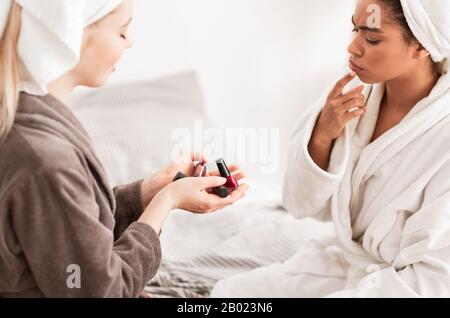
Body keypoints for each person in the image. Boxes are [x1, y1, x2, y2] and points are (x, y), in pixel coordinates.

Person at [0, 0, 248, 297]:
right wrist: (165, 203)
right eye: (121, 31)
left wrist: (147, 192)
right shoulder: (46, 161)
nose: (130, 42)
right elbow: (100, 291)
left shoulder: (28, 117)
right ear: (73, 34)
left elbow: (69, 230)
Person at [211, 0, 450, 297]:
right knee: (229, 293)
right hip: (351, 264)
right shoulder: (351, 95)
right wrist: (322, 135)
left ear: (421, 45)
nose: (353, 47)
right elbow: (300, 205)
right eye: (354, 28)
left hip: (408, 284)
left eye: (372, 38)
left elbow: (434, 279)